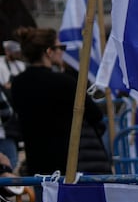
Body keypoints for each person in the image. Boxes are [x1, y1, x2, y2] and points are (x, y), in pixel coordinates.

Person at [9, 27, 112, 177]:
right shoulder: (64, 82)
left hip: (37, 164)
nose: (63, 52)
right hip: (70, 164)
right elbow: (95, 115)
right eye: (60, 47)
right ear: (49, 52)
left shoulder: (18, 84)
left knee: (44, 200)